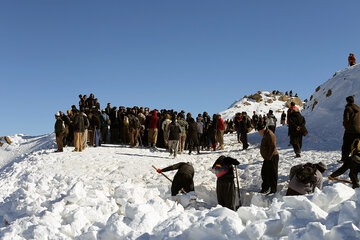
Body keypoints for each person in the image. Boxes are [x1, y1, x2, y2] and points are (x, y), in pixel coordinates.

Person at [258, 122, 279, 194]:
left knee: (273, 174)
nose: (258, 133)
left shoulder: (270, 134)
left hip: (272, 157)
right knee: (264, 173)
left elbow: (273, 147)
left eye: (259, 131)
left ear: (262, 130)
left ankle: (273, 190)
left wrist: (268, 157)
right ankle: (265, 188)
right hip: (268, 157)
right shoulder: (266, 134)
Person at [340, 96, 360, 162]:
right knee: (357, 145)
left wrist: (346, 127)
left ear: (347, 101)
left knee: (346, 145)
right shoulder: (358, 108)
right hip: (359, 130)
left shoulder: (348, 108)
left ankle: (344, 159)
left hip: (350, 130)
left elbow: (346, 120)